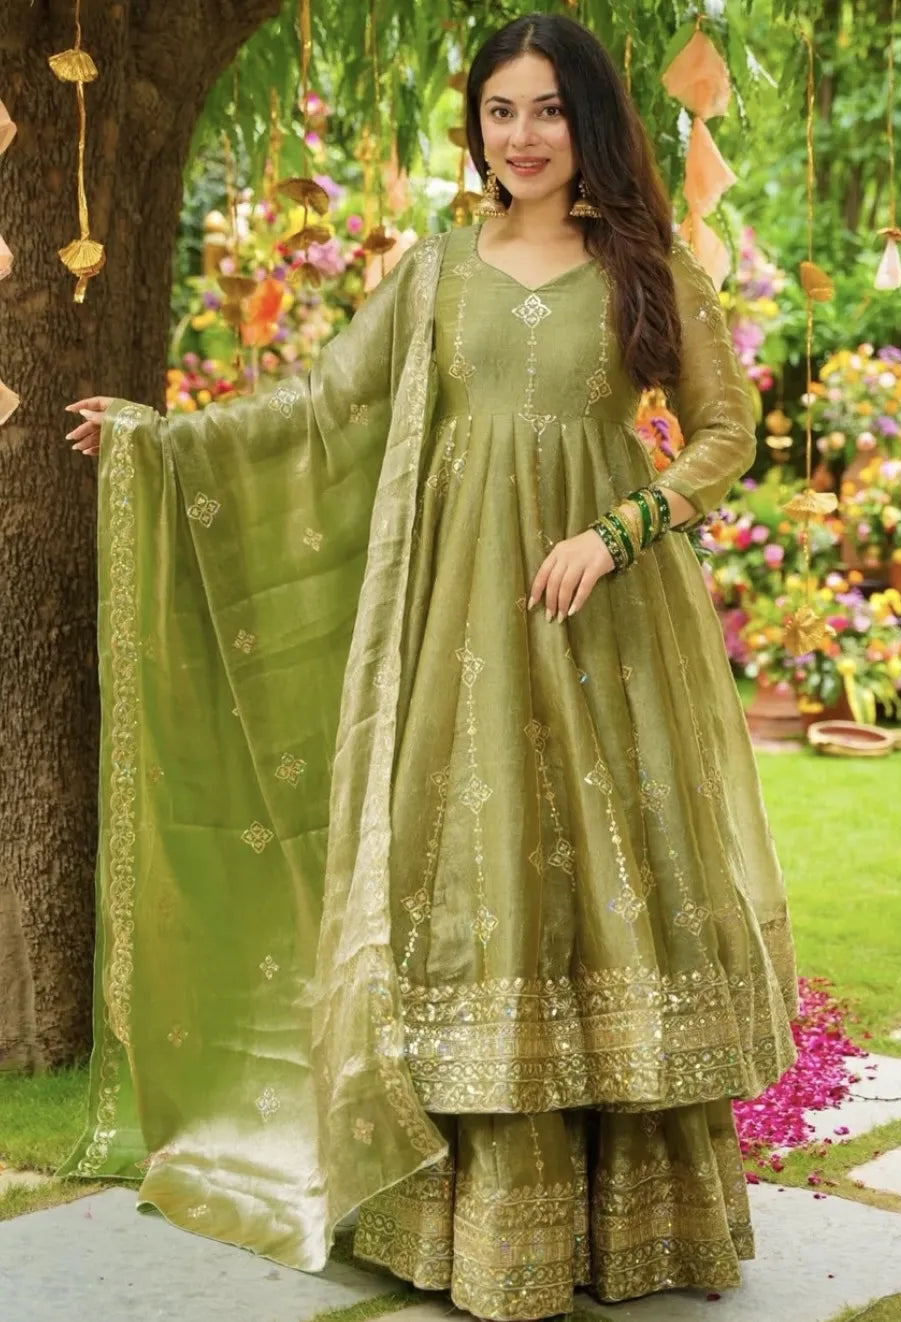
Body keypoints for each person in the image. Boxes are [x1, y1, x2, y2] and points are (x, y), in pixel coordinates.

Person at [64, 12, 797, 1321]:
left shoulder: (646, 266)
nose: (522, 136)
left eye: (548, 109)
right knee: (467, 882)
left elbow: (727, 432)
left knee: (611, 894)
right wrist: (158, 440)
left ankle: (634, 1220)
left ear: (590, 120)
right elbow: (324, 409)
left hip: (603, 631)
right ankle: (466, 1224)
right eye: (500, 111)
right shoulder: (435, 274)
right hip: (458, 639)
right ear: (478, 128)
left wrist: (619, 531)